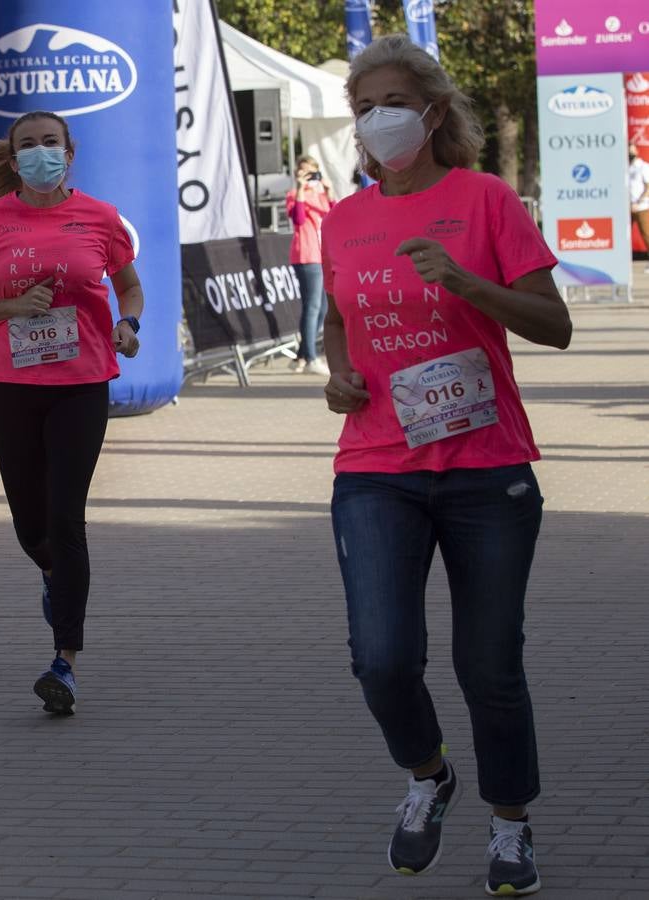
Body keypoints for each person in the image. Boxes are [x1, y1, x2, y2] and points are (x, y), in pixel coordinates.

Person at [319, 35, 572, 897]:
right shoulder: (344, 220)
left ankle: (510, 826)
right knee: (380, 657)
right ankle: (427, 776)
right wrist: (335, 373)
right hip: (375, 466)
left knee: (487, 664)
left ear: (431, 111)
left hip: (484, 467)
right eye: (362, 109)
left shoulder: (484, 200)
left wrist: (466, 284)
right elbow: (336, 319)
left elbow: (553, 323)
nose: (377, 120)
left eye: (392, 102)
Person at [0, 110, 142, 716]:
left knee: (66, 517)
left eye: (48, 143)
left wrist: (128, 323)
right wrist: (9, 307)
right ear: (12, 159)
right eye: (26, 145)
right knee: (31, 525)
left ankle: (66, 661)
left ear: (69, 152)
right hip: (9, 384)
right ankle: (55, 581)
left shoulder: (100, 218)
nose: (38, 153)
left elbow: (129, 286)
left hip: (81, 382)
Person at [285, 154, 335, 375]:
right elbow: (298, 219)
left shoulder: (322, 195)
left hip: (324, 255)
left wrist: (330, 189)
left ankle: (302, 355)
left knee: (323, 308)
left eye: (311, 172)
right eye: (302, 171)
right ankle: (311, 358)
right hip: (306, 256)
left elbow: (335, 215)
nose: (307, 176)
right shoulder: (294, 195)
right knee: (312, 307)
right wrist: (300, 188)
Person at [628, 147, 649, 273]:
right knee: (623, 237)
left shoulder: (643, 166)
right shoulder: (626, 167)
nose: (629, 153)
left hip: (642, 207)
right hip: (627, 208)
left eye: (632, 150)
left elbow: (648, 187)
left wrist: (638, 202)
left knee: (647, 235)